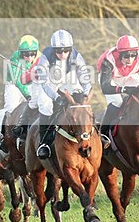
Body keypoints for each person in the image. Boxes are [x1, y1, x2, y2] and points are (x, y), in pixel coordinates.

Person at [18, 29, 92, 160]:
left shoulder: (76, 56)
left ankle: (95, 135)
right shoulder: (45, 56)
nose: (62, 54)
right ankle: (44, 143)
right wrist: (57, 98)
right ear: (54, 50)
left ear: (70, 48)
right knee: (45, 105)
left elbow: (85, 79)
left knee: (81, 103)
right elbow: (44, 83)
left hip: (69, 79)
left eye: (65, 50)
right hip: (50, 81)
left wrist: (85, 95)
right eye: (59, 51)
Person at [96, 35, 139, 148]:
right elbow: (106, 87)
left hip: (129, 75)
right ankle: (103, 135)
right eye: (126, 56)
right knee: (116, 103)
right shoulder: (108, 61)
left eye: (133, 55)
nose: (130, 59)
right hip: (111, 80)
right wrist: (124, 89)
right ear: (119, 54)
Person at [4, 35, 40, 114]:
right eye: (26, 54)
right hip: (14, 85)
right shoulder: (15, 58)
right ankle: (7, 121)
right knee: (12, 107)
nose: (30, 57)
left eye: (33, 53)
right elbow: (17, 81)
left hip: (32, 85)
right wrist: (27, 95)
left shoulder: (41, 59)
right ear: (21, 52)